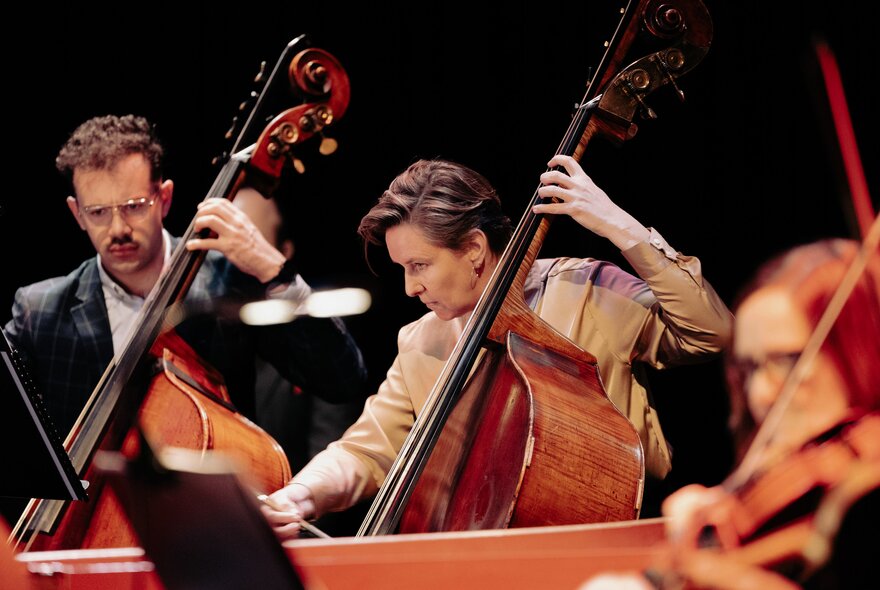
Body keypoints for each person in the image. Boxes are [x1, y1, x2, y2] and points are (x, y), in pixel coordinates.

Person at [263, 155, 733, 538]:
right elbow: (366, 450)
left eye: (419, 265)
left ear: (473, 248)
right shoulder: (422, 340)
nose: (409, 287)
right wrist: (300, 496)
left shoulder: (588, 291)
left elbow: (713, 333)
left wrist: (623, 230)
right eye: (404, 268)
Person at [3, 114, 367, 444]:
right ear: (76, 213)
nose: (117, 229)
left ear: (164, 198)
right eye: (97, 212)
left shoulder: (227, 282)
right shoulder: (41, 310)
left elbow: (341, 379)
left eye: (134, 207)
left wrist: (274, 269)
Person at [582, 237, 880, 589]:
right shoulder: (801, 490)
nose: (760, 393)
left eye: (787, 361)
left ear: (858, 348)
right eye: (751, 368)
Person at [233, 188, 365, 472]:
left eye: (247, 242)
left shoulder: (316, 335)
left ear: (283, 252)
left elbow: (329, 452)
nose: (233, 256)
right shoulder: (198, 324)